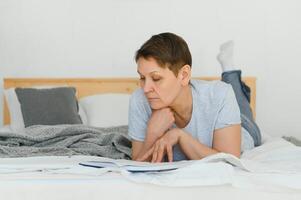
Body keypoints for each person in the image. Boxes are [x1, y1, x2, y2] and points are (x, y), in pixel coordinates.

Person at [128, 32, 261, 162]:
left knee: (237, 97)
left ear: (184, 75)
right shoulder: (139, 99)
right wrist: (152, 133)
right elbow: (138, 163)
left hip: (244, 127)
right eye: (142, 77)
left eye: (156, 78)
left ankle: (229, 69)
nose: (145, 88)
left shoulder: (220, 94)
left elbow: (229, 160)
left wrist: (180, 136)